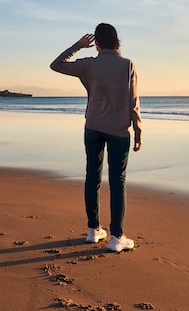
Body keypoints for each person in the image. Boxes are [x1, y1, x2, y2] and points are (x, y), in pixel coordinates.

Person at [50, 23, 142, 252]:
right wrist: (138, 130)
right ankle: (116, 237)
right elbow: (134, 102)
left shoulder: (88, 65)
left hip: (93, 127)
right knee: (117, 181)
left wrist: (78, 46)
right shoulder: (127, 64)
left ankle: (93, 230)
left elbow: (56, 65)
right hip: (119, 130)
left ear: (96, 42)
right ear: (117, 41)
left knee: (92, 176)